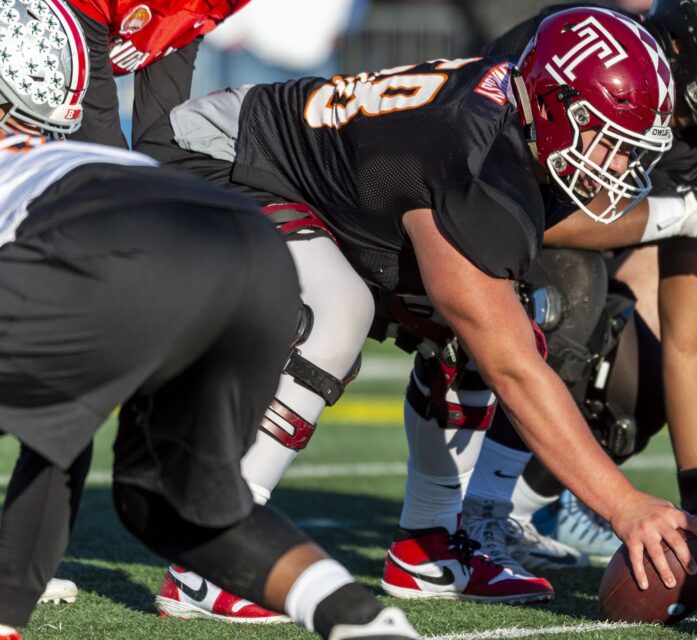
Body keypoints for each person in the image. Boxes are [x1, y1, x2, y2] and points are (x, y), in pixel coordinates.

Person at [133, 5, 697, 619]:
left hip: (305, 186)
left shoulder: (512, 127)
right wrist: (623, 503)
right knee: (338, 311)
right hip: (208, 162)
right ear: (557, 107)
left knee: (483, 325)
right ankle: (215, 548)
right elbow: (515, 371)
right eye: (608, 141)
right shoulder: (472, 152)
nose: (615, 168)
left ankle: (428, 546)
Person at [0, 2, 418, 639]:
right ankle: (357, 619)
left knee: (59, 418)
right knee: (169, 505)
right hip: (245, 244)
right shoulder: (76, 152)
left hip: (119, 253)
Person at [451, 0, 697, 585]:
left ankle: (522, 510)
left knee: (649, 371)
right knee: (571, 287)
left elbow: (695, 338)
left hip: (543, 270)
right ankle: (472, 513)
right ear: (691, 46)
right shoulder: (595, 55)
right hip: (456, 242)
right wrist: (684, 214)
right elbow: (507, 211)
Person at [66, 0, 254, 148]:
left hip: (172, 23)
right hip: (61, 43)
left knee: (165, 149)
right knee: (107, 165)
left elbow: (180, 31)